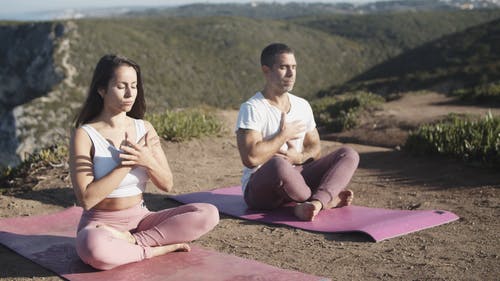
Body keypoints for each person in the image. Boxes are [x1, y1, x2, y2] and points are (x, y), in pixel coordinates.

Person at [69, 54, 219, 270]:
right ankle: (156, 248)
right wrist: (126, 164)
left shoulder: (144, 128)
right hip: (101, 224)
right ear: (101, 90)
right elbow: (86, 199)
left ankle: (134, 243)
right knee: (94, 249)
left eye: (134, 86)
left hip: (141, 221)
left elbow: (167, 184)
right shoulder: (85, 135)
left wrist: (147, 160)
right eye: (122, 86)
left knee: (208, 213)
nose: (130, 93)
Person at [235, 43, 360, 221]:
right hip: (262, 188)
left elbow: (315, 149)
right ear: (266, 70)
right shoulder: (252, 108)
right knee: (279, 165)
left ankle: (315, 203)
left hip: (298, 176)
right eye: (283, 67)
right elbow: (250, 159)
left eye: (293, 67)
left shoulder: (302, 105)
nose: (291, 73)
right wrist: (283, 136)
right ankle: (324, 199)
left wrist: (298, 158)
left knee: (348, 154)